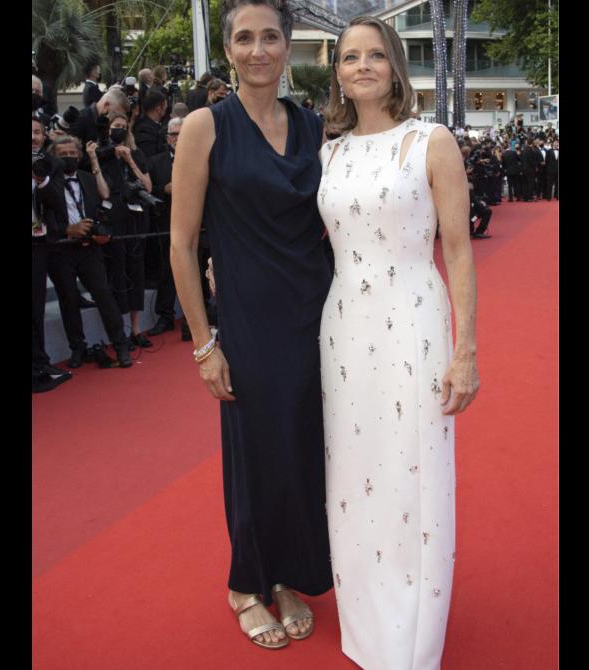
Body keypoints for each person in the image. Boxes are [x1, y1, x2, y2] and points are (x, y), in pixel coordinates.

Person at [169, 0, 332, 651]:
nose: (258, 49)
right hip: (248, 322)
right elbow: (182, 245)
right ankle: (246, 583)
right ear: (229, 49)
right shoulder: (207, 127)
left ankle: (287, 575)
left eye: (270, 37)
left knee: (302, 455)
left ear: (287, 46)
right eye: (244, 38)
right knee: (255, 457)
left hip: (318, 318)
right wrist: (205, 342)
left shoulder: (313, 126)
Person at [318, 15, 479, 670]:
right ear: (338, 71)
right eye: (349, 56)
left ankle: (412, 639)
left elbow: (461, 253)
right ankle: (365, 616)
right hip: (343, 329)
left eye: (374, 56)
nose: (361, 66)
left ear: (395, 67)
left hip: (413, 319)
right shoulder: (329, 150)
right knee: (354, 475)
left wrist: (465, 351)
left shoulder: (430, 141)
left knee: (412, 472)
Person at [44, 135, 135, 368]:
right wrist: (66, 229)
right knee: (68, 300)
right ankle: (78, 348)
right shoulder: (45, 183)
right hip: (60, 250)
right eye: (61, 155)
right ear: (53, 158)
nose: (67, 158)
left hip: (89, 248)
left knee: (104, 295)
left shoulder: (86, 178)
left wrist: (99, 231)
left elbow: (102, 202)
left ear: (79, 155)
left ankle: (121, 345)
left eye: (72, 154)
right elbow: (42, 219)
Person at [97, 111, 156, 349]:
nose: (119, 130)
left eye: (122, 126)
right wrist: (110, 153)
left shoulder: (137, 153)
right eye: (115, 126)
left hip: (136, 219)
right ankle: (120, 330)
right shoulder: (102, 155)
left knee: (136, 269)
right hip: (114, 217)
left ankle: (136, 328)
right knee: (118, 270)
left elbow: (149, 186)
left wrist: (130, 159)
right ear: (108, 129)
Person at [33, 116, 74, 392]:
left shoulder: (53, 165)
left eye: (37, 132)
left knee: (35, 307)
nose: (33, 137)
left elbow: (59, 203)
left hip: (37, 244)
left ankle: (39, 363)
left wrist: (43, 181)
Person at [146, 116, 183, 337]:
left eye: (182, 134)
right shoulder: (156, 161)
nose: (177, 138)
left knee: (199, 273)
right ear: (168, 137)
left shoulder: (203, 158)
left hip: (199, 226)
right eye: (174, 134)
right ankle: (165, 316)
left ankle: (196, 320)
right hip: (166, 225)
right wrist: (163, 189)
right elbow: (149, 191)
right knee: (167, 272)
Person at [133, 88, 169, 159]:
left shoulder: (154, 125)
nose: (166, 109)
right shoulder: (144, 129)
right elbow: (150, 157)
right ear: (159, 109)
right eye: (165, 107)